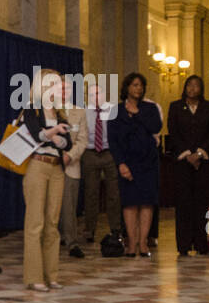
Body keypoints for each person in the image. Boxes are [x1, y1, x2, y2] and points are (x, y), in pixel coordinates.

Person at [20, 69, 73, 291]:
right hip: (37, 166)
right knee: (35, 223)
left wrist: (57, 136)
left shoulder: (60, 113)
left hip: (56, 169)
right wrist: (54, 133)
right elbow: (36, 135)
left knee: (52, 223)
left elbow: (67, 143)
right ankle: (34, 277)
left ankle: (51, 275)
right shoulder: (31, 109)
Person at [166, 74, 209, 257]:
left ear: (201, 89)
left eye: (196, 85)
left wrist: (199, 152)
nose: (192, 88)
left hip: (202, 161)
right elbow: (173, 131)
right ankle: (183, 244)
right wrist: (188, 153)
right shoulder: (175, 107)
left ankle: (200, 243)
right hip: (183, 161)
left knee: (201, 202)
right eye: (189, 85)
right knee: (183, 203)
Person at [111, 72, 163, 257]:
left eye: (140, 85)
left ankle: (143, 243)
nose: (138, 88)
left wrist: (138, 114)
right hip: (127, 162)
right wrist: (121, 164)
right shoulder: (116, 110)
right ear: (126, 88)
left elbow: (156, 127)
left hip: (148, 162)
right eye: (134, 85)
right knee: (130, 203)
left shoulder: (150, 108)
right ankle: (131, 243)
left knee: (147, 203)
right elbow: (113, 140)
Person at [81, 79, 121, 242]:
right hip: (90, 153)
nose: (94, 97)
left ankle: (116, 229)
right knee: (91, 193)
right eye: (91, 94)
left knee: (114, 193)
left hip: (109, 153)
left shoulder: (113, 110)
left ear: (104, 94)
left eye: (97, 93)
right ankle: (89, 230)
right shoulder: (84, 112)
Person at [58, 81, 89, 259]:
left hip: (71, 164)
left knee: (69, 206)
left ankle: (72, 242)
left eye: (66, 88)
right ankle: (51, 239)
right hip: (51, 162)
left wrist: (70, 156)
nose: (64, 91)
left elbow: (82, 140)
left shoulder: (79, 111)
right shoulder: (48, 110)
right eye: (60, 88)